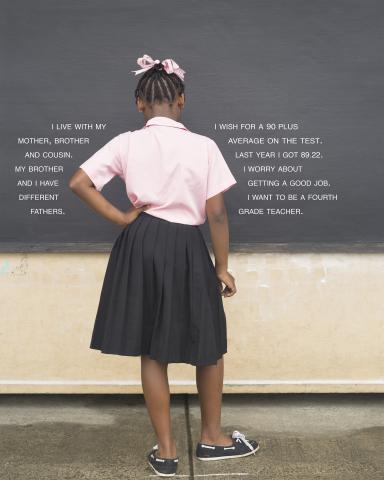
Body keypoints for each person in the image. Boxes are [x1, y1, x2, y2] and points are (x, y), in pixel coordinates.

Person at [69, 54, 259, 477]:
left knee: (152, 350)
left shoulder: (126, 142)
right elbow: (218, 215)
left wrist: (120, 217)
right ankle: (213, 439)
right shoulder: (204, 146)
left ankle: (167, 452)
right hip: (188, 246)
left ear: (140, 104)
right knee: (208, 345)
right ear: (182, 100)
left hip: (141, 242)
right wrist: (222, 266)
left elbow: (78, 182)